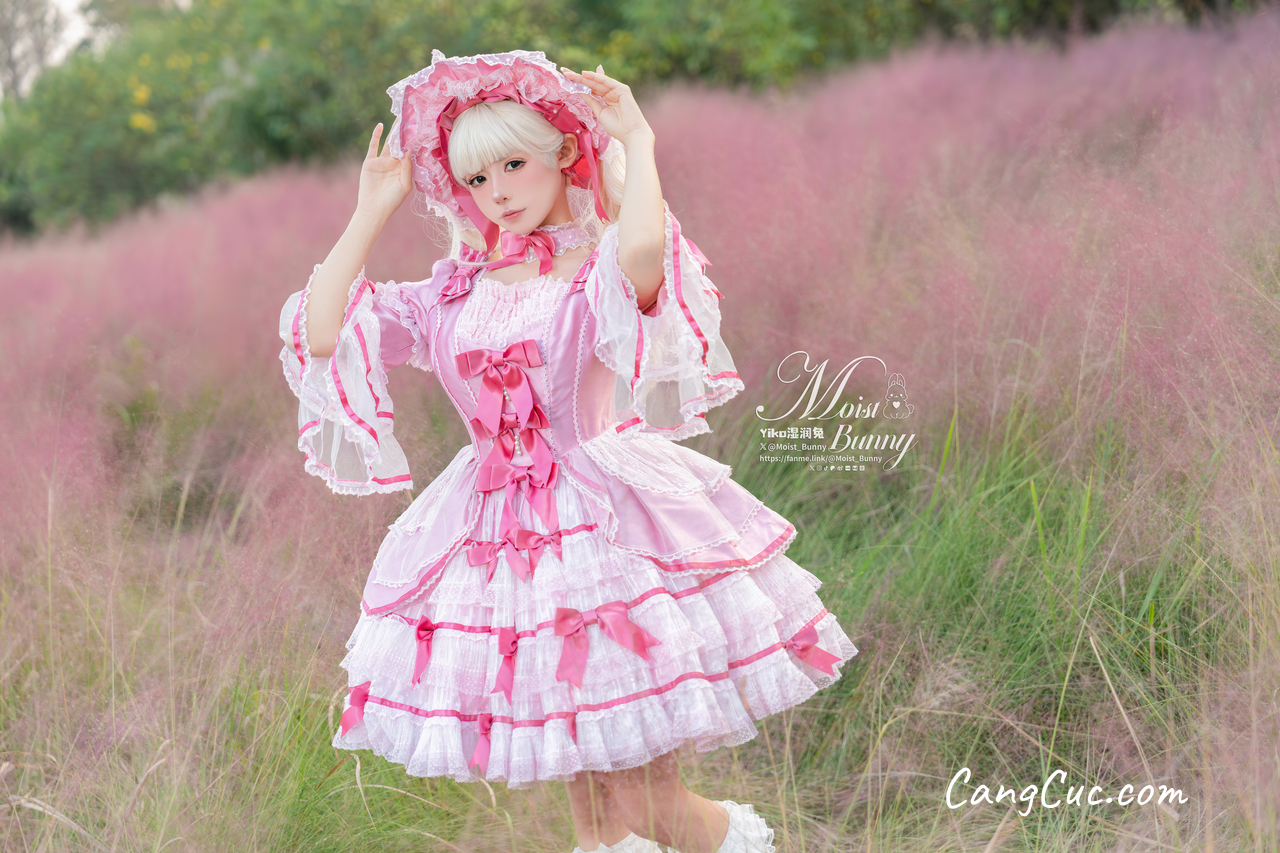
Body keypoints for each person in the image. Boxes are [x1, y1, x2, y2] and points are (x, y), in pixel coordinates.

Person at [277, 49, 859, 853]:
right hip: (495, 550)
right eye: (477, 178)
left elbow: (647, 257)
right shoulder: (448, 292)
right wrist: (371, 211)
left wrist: (639, 140)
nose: (498, 191)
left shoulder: (597, 269)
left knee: (648, 802)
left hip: (603, 531)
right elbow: (321, 330)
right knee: (594, 819)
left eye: (513, 164)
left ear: (561, 155)